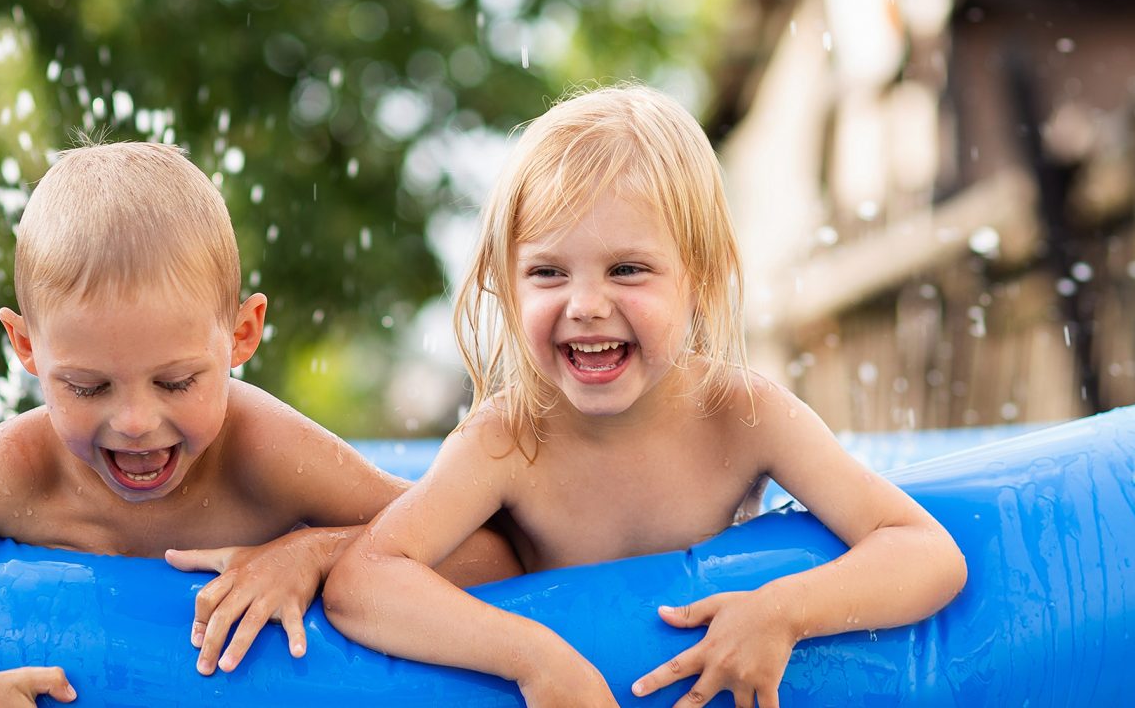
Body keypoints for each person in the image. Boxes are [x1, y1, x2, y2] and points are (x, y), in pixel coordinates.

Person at [0, 142, 516, 708]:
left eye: (177, 380)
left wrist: (314, 553)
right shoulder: (16, 467)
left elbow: (488, 548)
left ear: (241, 336)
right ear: (27, 347)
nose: (136, 422)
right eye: (87, 384)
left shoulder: (261, 449)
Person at [323, 85, 967, 708]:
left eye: (627, 269)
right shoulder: (508, 439)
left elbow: (926, 552)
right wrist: (533, 657)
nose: (585, 305)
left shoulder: (743, 416)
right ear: (507, 285)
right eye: (548, 272)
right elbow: (365, 581)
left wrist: (783, 611)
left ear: (700, 277)